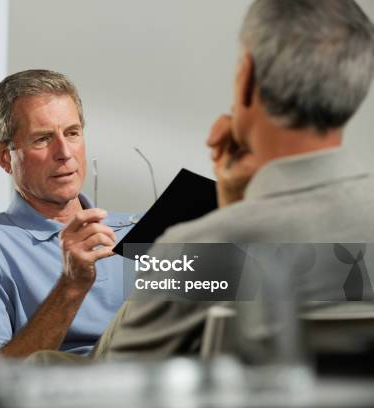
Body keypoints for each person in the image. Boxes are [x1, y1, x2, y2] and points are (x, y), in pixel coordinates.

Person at [88, 0, 374, 360]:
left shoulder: (196, 249)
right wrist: (236, 205)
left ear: (246, 78)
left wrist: (228, 216)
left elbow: (109, 386)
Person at [0, 70, 135, 358]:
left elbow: (218, 316)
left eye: (72, 133)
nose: (64, 153)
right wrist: (71, 286)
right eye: (42, 139)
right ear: (4, 156)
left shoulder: (139, 228)